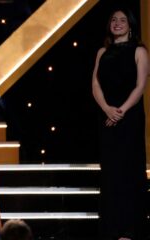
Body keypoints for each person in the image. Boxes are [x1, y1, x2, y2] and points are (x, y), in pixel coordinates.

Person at [91, 7, 149, 240]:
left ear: (131, 25)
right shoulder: (102, 52)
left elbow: (141, 85)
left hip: (129, 116)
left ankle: (129, 228)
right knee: (111, 172)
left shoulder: (139, 51)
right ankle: (112, 228)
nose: (117, 23)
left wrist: (122, 110)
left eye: (122, 20)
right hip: (107, 116)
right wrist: (107, 108)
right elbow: (95, 83)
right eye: (113, 19)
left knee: (129, 170)